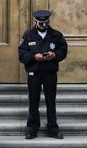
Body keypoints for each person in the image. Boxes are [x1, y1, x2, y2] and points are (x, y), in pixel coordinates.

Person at [18, 9, 68, 139]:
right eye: (41, 24)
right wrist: (34, 57)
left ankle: (53, 128)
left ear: (48, 22)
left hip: (50, 73)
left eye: (45, 23)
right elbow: (22, 54)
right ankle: (32, 128)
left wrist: (54, 55)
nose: (43, 26)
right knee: (33, 101)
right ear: (36, 22)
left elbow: (63, 50)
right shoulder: (28, 35)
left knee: (51, 101)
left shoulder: (56, 35)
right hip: (34, 72)